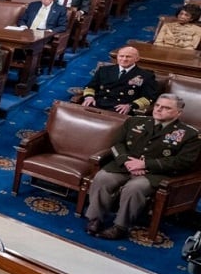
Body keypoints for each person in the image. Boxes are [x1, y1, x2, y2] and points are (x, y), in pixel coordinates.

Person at [84, 94, 200, 240]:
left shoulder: (190, 134)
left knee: (134, 188)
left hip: (154, 173)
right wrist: (126, 161)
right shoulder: (134, 121)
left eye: (166, 108)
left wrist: (145, 164)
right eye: (158, 105)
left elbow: (183, 162)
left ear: (178, 113)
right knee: (103, 177)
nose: (159, 109)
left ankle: (120, 227)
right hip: (125, 166)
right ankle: (96, 218)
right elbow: (117, 144)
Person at [81, 46, 157, 114]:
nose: (124, 59)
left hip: (120, 109)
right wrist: (89, 97)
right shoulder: (104, 70)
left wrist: (130, 106)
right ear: (117, 57)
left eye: (128, 57)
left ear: (137, 59)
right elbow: (90, 87)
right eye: (121, 56)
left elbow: (148, 98)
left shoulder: (146, 75)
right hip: (97, 103)